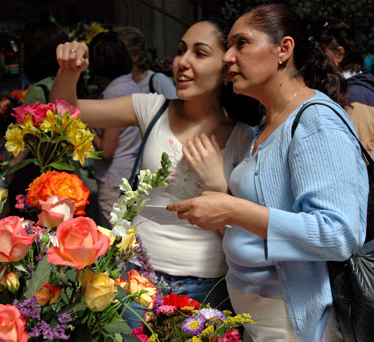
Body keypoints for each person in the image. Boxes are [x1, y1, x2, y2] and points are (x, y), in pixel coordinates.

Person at [167, 4, 368, 342]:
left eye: (241, 43)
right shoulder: (265, 123)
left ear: (283, 49)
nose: (228, 57)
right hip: (259, 319)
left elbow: (339, 234)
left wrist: (231, 209)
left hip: (295, 322)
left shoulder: (316, 121)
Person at [50, 17, 261, 326]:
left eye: (199, 53)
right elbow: (62, 112)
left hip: (206, 286)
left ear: (227, 66)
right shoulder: (152, 108)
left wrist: (217, 185)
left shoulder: (245, 137)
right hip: (136, 277)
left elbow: (243, 236)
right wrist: (69, 72)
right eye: (180, 50)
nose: (182, 62)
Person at [1, 18, 68, 218]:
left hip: (38, 187)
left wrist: (9, 174)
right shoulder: (67, 85)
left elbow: (23, 146)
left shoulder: (39, 92)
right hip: (63, 182)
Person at [87, 31, 142, 228]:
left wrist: (88, 126)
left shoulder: (113, 94)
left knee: (114, 245)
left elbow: (107, 150)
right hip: (131, 173)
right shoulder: (132, 86)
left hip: (114, 180)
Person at [312, 18, 374, 155]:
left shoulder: (357, 96)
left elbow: (359, 158)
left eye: (320, 55)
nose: (314, 61)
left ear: (339, 54)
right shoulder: (341, 89)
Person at [114, 26, 177, 99]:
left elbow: (177, 107)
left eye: (118, 52)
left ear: (135, 56)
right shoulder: (116, 84)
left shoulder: (158, 81)